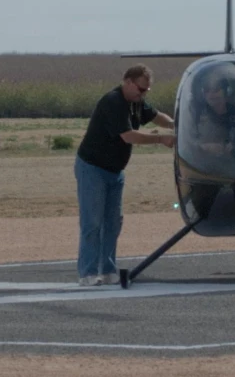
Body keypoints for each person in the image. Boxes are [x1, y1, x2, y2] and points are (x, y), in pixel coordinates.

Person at [74, 64, 175, 287]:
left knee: (113, 222)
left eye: (147, 90)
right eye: (140, 89)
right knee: (93, 221)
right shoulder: (113, 102)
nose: (143, 94)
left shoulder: (136, 103)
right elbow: (128, 136)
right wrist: (160, 139)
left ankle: (108, 269)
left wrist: (177, 125)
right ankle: (88, 272)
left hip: (115, 171)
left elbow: (157, 116)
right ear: (127, 82)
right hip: (93, 168)